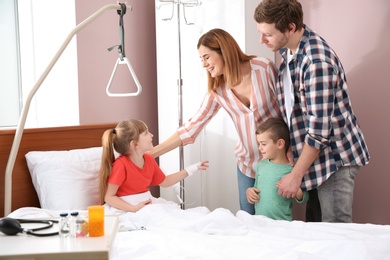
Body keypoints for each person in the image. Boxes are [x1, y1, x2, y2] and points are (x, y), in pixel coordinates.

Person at [253, 0, 370, 223]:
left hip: (333, 160)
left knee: (335, 228)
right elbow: (293, 110)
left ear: (290, 27)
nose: (262, 40)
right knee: (316, 229)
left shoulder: (317, 63)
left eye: (267, 34)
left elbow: (319, 132)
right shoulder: (290, 51)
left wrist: (295, 175)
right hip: (312, 157)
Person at [149, 28, 281, 215]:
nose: (204, 64)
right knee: (248, 223)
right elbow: (191, 127)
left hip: (277, 163)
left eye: (206, 57)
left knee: (279, 220)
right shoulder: (218, 91)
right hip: (248, 166)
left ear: (223, 50)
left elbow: (289, 111)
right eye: (201, 59)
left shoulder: (263, 68)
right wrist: (151, 153)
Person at [99, 119, 209, 212]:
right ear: (134, 144)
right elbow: (109, 197)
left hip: (147, 204)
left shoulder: (149, 160)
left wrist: (193, 168)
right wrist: (133, 208)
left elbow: (165, 182)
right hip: (128, 208)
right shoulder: (121, 165)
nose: (151, 135)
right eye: (146, 133)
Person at [246, 118, 308, 221]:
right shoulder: (261, 166)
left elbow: (304, 198)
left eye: (263, 144)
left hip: (282, 224)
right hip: (260, 222)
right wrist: (249, 191)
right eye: (259, 144)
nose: (260, 148)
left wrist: (297, 190)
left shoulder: (292, 169)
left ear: (280, 144)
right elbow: (256, 187)